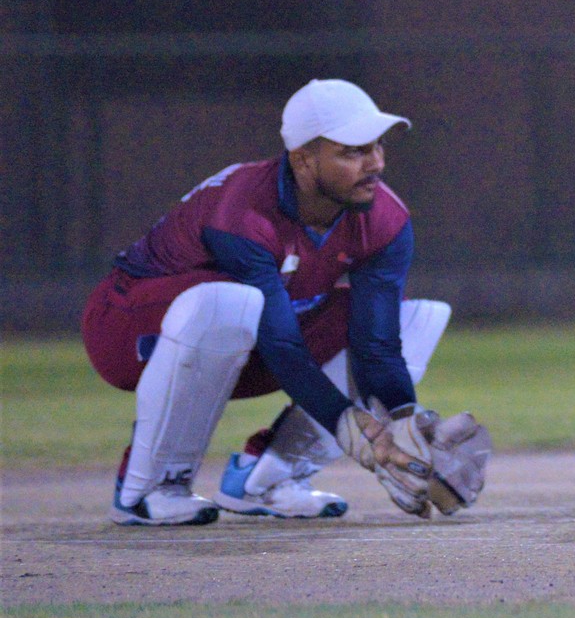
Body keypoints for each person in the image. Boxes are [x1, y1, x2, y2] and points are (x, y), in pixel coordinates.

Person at [82, 78, 482, 525]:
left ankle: (269, 477)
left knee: (414, 318)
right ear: (304, 159)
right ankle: (149, 486)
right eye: (353, 151)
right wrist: (348, 425)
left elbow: (378, 348)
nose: (376, 163)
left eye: (377, 146)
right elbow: (281, 345)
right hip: (126, 330)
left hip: (246, 342)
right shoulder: (244, 209)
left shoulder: (384, 218)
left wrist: (404, 422)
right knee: (228, 302)